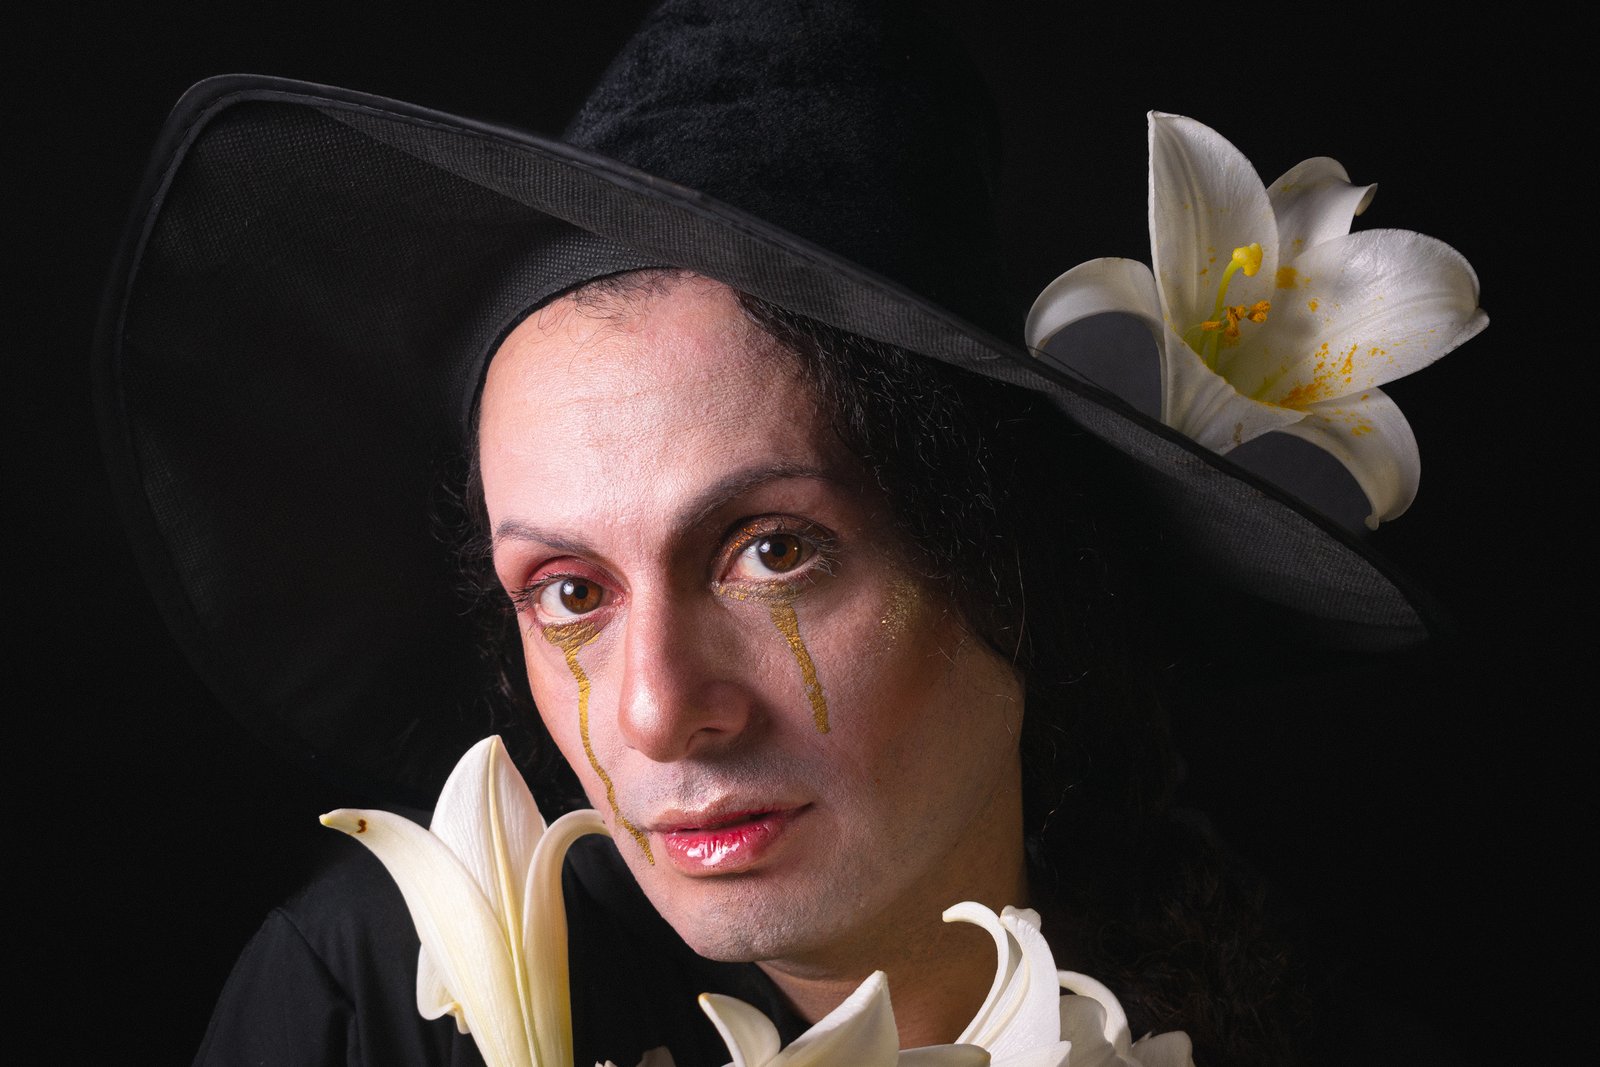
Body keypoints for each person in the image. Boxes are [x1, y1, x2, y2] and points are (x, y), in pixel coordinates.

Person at [93, 1, 1467, 1064]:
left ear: (1021, 568)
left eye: (771, 551)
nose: (656, 713)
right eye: (568, 589)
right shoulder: (369, 1009)